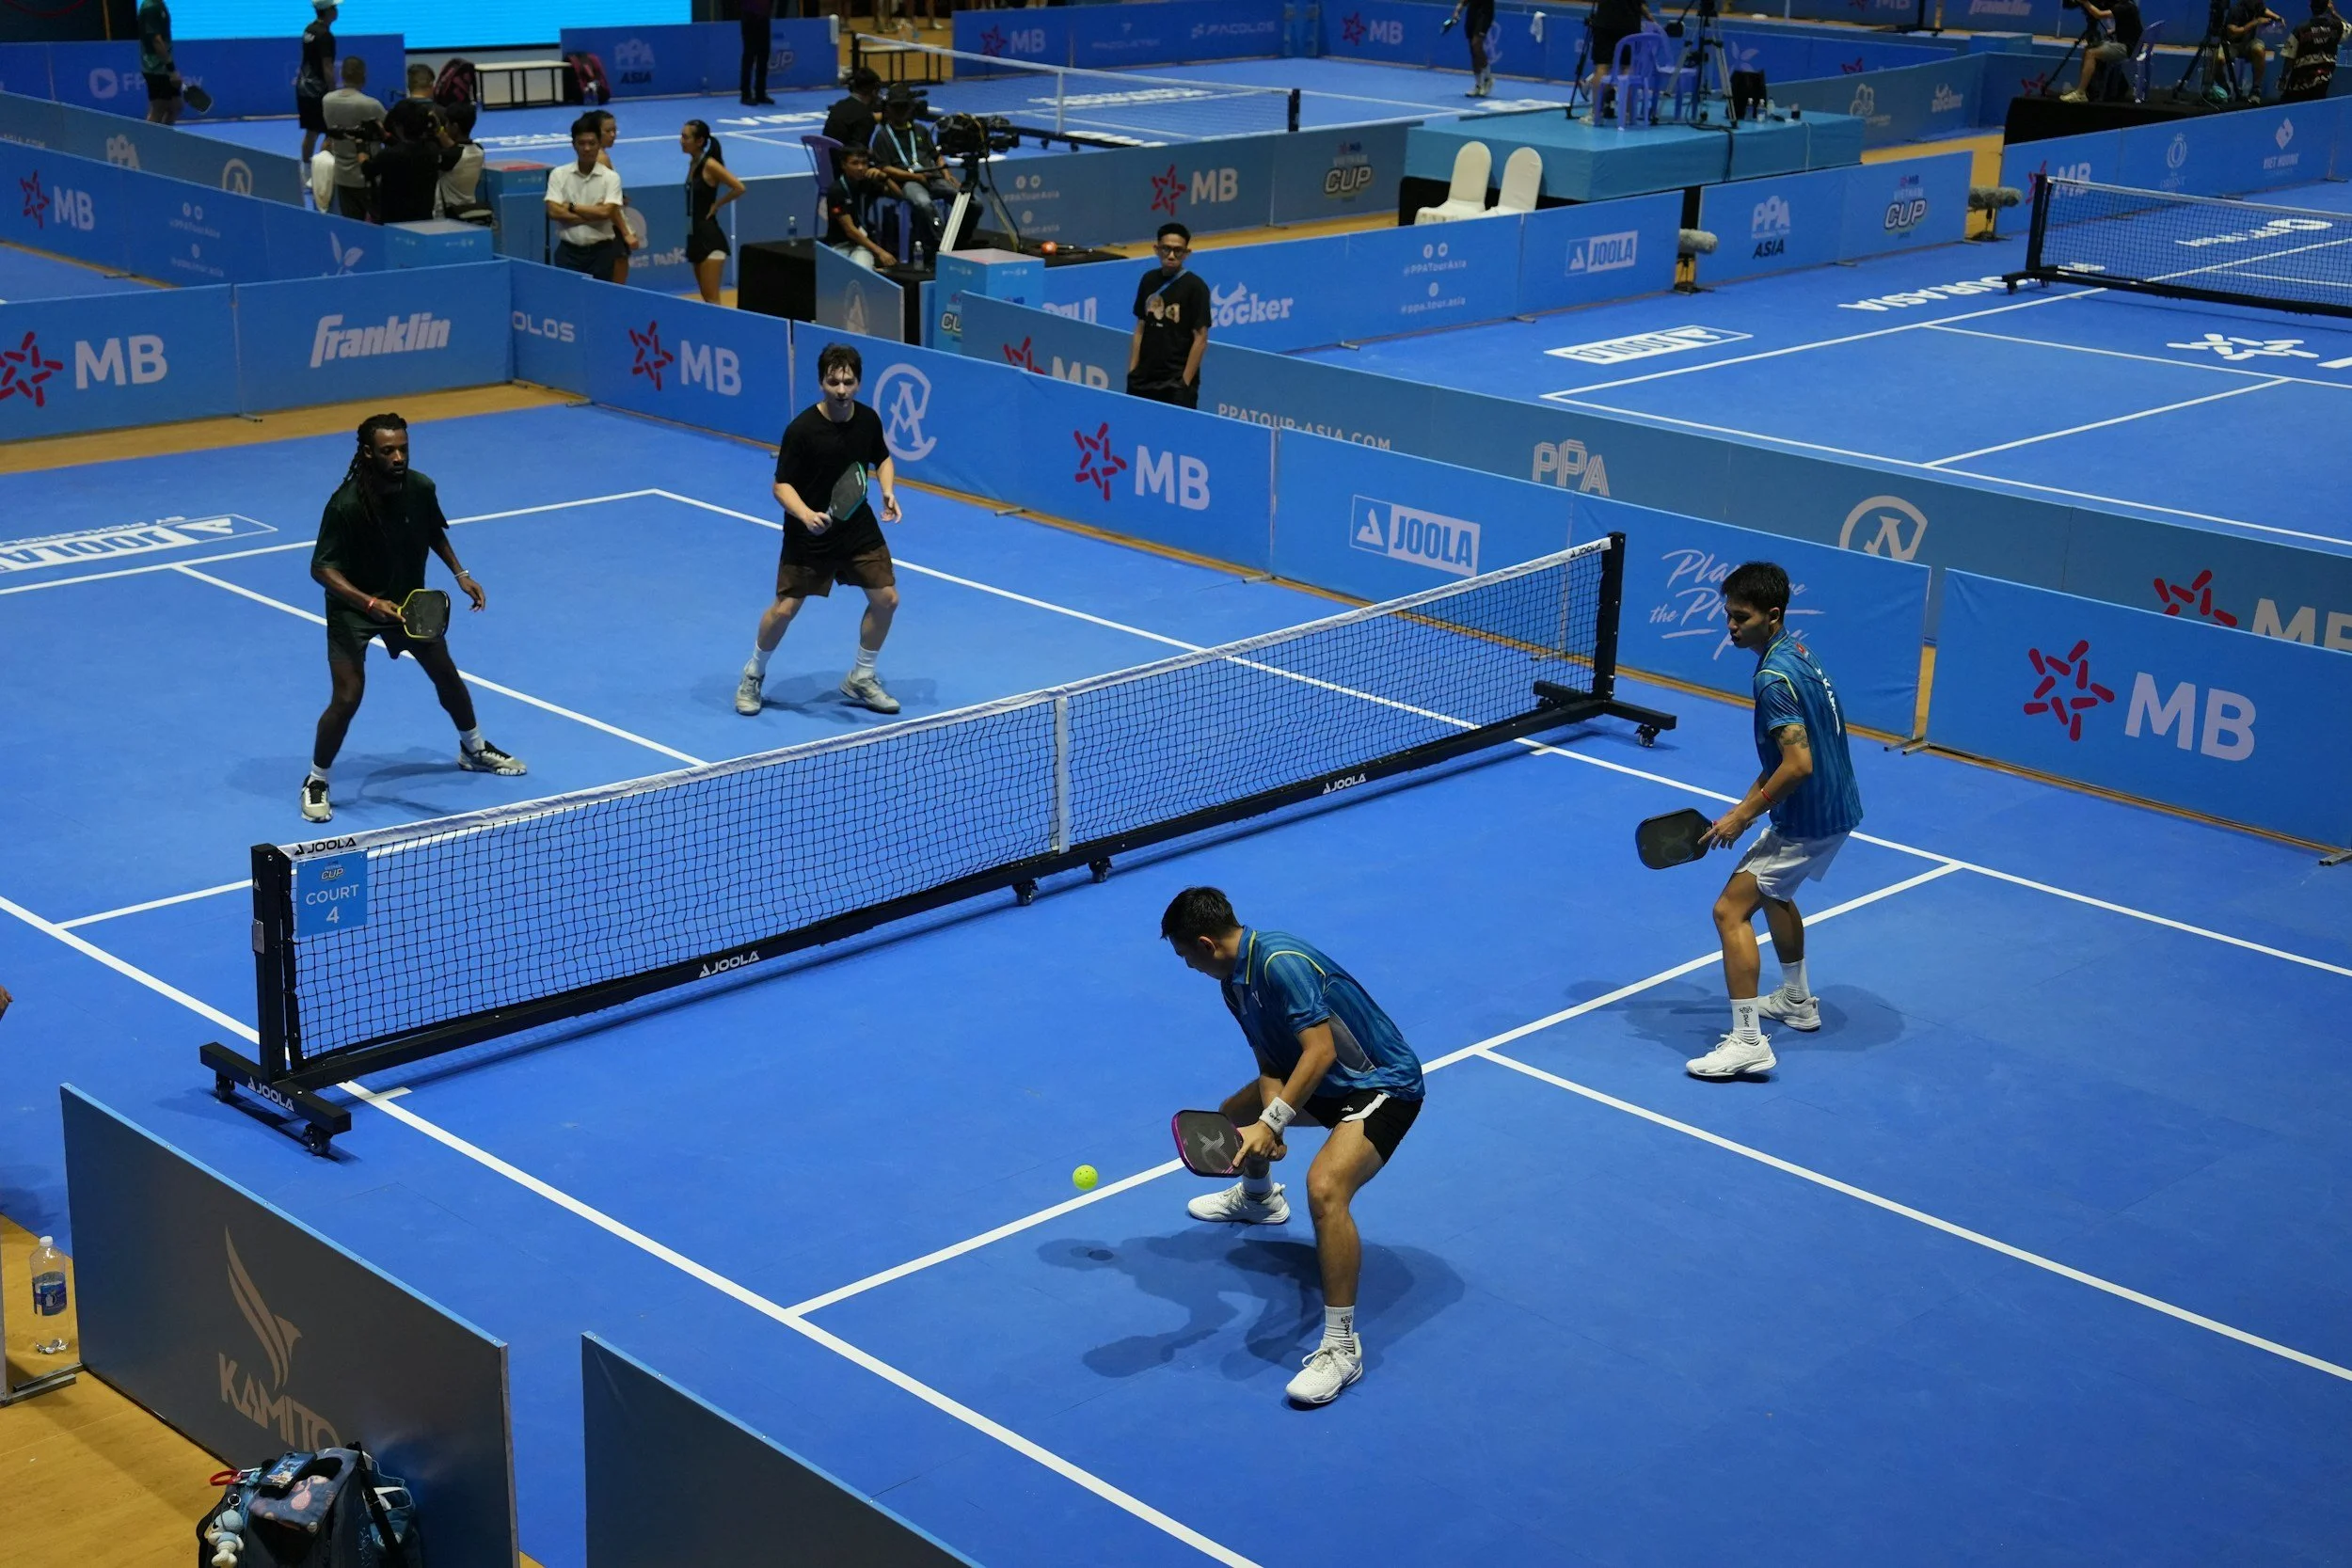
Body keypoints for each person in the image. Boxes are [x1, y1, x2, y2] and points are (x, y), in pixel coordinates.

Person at [1162, 886, 1424, 1408]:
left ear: (1206, 943)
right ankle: (1259, 1198)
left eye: (1184, 955)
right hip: (1329, 1085)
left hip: (1379, 1086)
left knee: (1325, 1188)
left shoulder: (1281, 963)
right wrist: (1266, 1124)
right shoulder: (1233, 984)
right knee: (1230, 1117)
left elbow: (1320, 1051)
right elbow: (1269, 1062)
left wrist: (1276, 1119)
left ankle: (1341, 1347)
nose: (1186, 966)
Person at [1687, 562, 1863, 1081]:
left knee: (1729, 911)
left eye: (1741, 618)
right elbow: (1784, 762)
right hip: (1836, 805)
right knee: (1776, 892)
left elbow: (1798, 765)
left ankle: (1747, 1042)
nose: (1731, 626)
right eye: (1728, 615)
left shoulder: (1771, 679)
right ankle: (1797, 1000)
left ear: (1773, 615)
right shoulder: (1797, 655)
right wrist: (1740, 810)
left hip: (1807, 817)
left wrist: (1743, 816)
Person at [302, 413, 524, 822]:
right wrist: (368, 603)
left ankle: (473, 749)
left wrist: (461, 574)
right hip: (355, 609)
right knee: (347, 697)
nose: (399, 457)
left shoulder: (420, 488)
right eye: (388, 451)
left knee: (446, 674)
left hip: (408, 605)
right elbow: (322, 569)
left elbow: (433, 530)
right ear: (368, 453)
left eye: (403, 448)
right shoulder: (345, 504)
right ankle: (317, 779)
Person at [738, 342, 903, 719]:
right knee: (784, 610)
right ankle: (753, 673)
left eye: (848, 382)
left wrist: (888, 490)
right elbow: (781, 485)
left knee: (887, 599)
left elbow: (883, 458)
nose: (841, 390)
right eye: (833, 382)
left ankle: (861, 676)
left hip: (857, 526)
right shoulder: (802, 429)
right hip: (808, 533)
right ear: (821, 383)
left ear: (858, 382)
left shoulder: (868, 420)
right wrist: (806, 515)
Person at [871, 86, 960, 261]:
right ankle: (943, 246)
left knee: (963, 199)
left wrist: (946, 173)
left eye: (904, 106)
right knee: (924, 203)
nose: (901, 111)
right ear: (888, 109)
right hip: (907, 182)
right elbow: (884, 168)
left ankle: (960, 238)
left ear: (911, 108)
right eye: (896, 107)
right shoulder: (882, 136)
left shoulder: (920, 130)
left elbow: (937, 156)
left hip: (932, 177)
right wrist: (915, 177)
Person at [1127, 222, 1209, 408]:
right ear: (1156, 249)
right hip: (1142, 380)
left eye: (1178, 250)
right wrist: (1133, 371)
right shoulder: (1148, 280)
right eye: (1166, 249)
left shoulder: (1196, 288)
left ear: (1187, 253)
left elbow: (1201, 338)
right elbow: (1140, 328)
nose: (1171, 255)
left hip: (1175, 384)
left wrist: (1184, 383)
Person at [546, 115, 628, 280]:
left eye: (592, 143)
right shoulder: (558, 175)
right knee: (570, 304)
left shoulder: (611, 178)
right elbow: (553, 212)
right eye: (581, 143)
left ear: (599, 144)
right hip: (568, 254)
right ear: (573, 145)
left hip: (602, 254)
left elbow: (606, 212)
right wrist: (594, 215)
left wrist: (571, 207)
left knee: (602, 303)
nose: (587, 148)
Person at [366, 99, 462, 225]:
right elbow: (455, 151)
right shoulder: (432, 150)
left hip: (393, 221)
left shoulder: (388, 155)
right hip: (423, 219)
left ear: (398, 126)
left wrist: (361, 149)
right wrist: (439, 130)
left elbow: (367, 170)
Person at [682, 119, 745, 304]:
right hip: (694, 236)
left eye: (686, 137)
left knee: (712, 301)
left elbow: (739, 187)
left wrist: (717, 204)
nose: (681, 140)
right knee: (706, 299)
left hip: (710, 239)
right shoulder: (693, 163)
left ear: (700, 141)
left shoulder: (709, 164)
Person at [321, 55, 387, 221]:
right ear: (364, 76)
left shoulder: (327, 101)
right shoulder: (371, 105)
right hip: (368, 178)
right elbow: (389, 131)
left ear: (342, 75)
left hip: (342, 176)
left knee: (352, 228)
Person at [823, 144, 897, 271]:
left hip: (862, 245)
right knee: (839, 274)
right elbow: (850, 230)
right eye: (855, 163)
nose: (860, 168)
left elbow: (899, 195)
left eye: (864, 163)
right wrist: (880, 252)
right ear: (843, 165)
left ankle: (871, 269)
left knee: (862, 272)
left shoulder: (868, 182)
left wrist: (885, 177)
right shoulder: (837, 190)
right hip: (840, 245)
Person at [591, 111, 640, 284]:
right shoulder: (601, 158)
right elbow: (609, 203)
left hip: (600, 229)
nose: (613, 135)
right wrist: (627, 233)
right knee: (617, 286)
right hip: (610, 231)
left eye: (615, 130)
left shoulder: (592, 156)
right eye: (608, 131)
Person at [1582, 0, 1651, 119]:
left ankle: (1595, 114)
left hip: (1605, 24)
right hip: (1630, 25)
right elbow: (1641, 4)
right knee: (1628, 67)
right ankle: (1629, 114)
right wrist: (1651, 19)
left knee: (1602, 67)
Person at [2064, 0, 2144, 101]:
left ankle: (2080, 93)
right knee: (2090, 49)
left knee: (2091, 53)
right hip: (2133, 46)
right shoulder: (2131, 5)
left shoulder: (2124, 7)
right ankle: (2089, 88)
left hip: (2127, 48)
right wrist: (2115, 31)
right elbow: (2130, 24)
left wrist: (2085, 2)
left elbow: (2099, 15)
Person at [296, 0, 337, 167]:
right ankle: (323, 173)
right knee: (331, 134)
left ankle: (306, 170)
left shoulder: (309, 29)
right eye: (334, 7)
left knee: (311, 132)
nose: (336, 11)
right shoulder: (326, 36)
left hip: (304, 88)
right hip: (319, 91)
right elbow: (327, 67)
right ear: (327, 11)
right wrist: (334, 93)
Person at [2217, 0, 2284, 98]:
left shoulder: (2258, 5)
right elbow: (2233, 32)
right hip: (2232, 44)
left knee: (2259, 49)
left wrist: (2277, 17)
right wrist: (2255, 22)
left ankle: (2256, 89)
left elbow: (2264, 10)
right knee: (2218, 59)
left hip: (2249, 42)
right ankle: (2225, 88)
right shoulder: (2236, 9)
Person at [2279, 0, 2344, 98]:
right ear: (2327, 7)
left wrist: (2283, 79)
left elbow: (2289, 59)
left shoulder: (2300, 30)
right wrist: (2334, 13)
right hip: (2322, 88)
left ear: (2310, 7)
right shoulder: (2338, 27)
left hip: (2297, 91)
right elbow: (2350, 29)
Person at [436, 101, 487, 218]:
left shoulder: (449, 156)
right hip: (469, 209)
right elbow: (458, 148)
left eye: (447, 123)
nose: (445, 127)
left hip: (447, 213)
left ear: (455, 127)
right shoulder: (479, 150)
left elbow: (452, 152)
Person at [138, 0, 180, 125]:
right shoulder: (150, 7)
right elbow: (156, 41)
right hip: (155, 67)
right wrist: (171, 69)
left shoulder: (160, 4)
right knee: (159, 108)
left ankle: (165, 140)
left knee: (176, 105)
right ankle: (148, 142)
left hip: (162, 66)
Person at [823, 66, 882, 150]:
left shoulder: (838, 105)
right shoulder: (865, 116)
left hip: (829, 159)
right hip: (845, 160)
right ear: (874, 91)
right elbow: (860, 152)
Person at [1446, 0, 1497, 97]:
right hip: (1472, 13)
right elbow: (1463, 1)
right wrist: (1456, 12)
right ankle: (1478, 85)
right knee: (1473, 50)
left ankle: (1488, 78)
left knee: (1476, 44)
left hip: (1485, 14)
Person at [739, 0, 776, 105]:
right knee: (749, 55)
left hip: (764, 16)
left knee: (764, 54)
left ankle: (760, 93)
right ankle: (745, 94)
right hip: (749, 15)